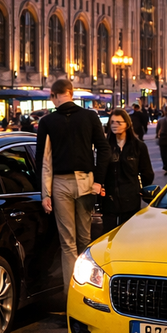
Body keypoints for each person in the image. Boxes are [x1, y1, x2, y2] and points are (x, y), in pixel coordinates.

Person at [37, 78, 111, 282]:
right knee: (85, 239)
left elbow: (44, 161)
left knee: (67, 243)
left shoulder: (47, 122)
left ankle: (70, 293)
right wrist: (98, 180)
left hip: (60, 183)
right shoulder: (89, 116)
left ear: (53, 96)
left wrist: (45, 193)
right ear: (71, 93)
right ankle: (87, 288)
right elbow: (104, 149)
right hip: (86, 181)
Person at [104, 108, 155, 231]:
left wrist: (144, 189)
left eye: (119, 122)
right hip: (109, 198)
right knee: (108, 234)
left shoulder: (138, 146)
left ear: (127, 124)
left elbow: (147, 172)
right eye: (112, 122)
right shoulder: (105, 146)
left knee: (128, 232)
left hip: (130, 197)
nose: (115, 125)